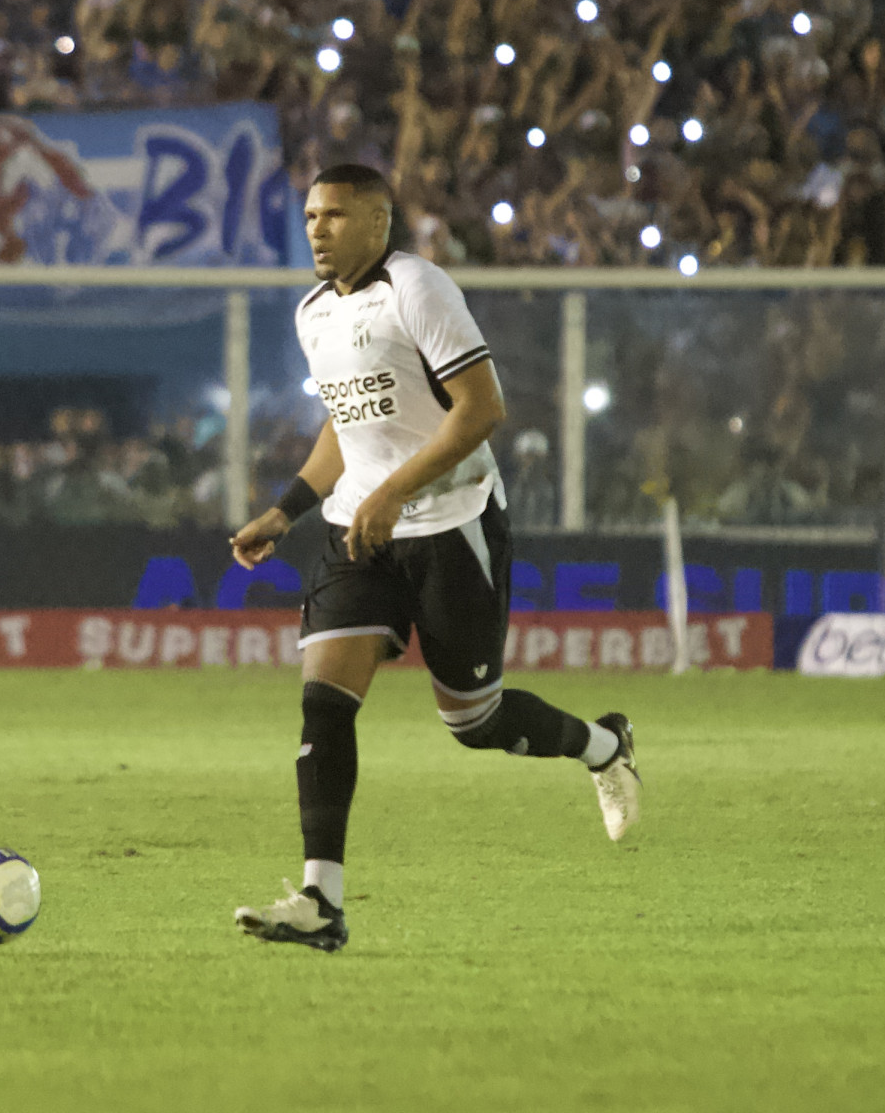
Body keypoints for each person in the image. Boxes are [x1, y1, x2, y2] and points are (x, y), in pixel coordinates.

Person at [226, 164, 640, 954]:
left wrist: (394, 494)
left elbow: (482, 409)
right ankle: (322, 900)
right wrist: (286, 510)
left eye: (336, 215)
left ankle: (605, 745)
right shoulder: (312, 313)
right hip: (358, 533)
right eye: (311, 215)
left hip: (454, 524)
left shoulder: (417, 287)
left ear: (379, 223)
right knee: (324, 704)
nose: (317, 227)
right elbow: (344, 433)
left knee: (474, 723)